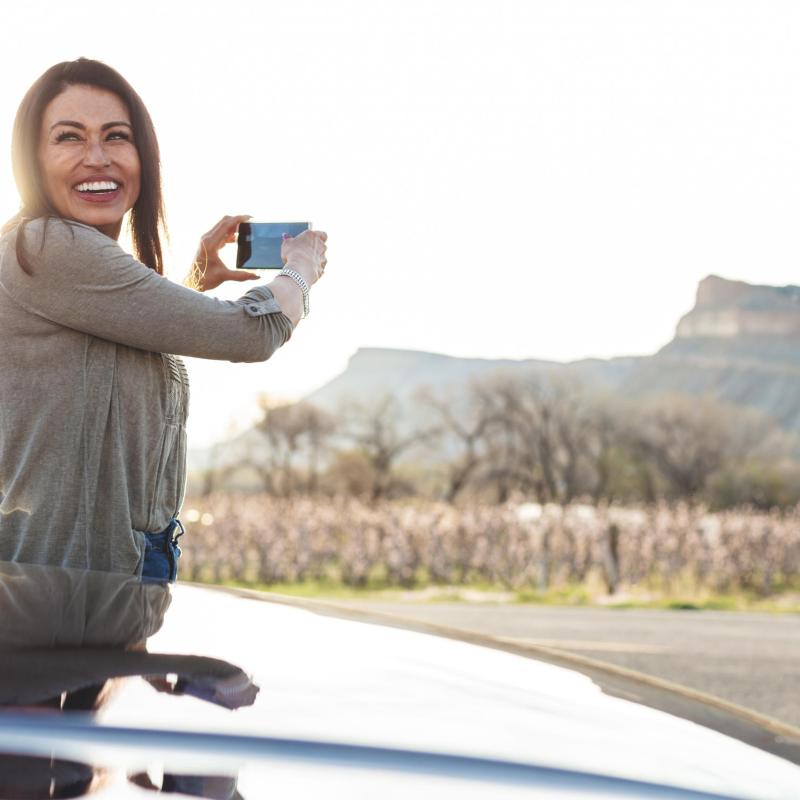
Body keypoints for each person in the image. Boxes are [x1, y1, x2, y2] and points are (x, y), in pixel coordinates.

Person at [0, 58, 327, 579]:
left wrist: (194, 277)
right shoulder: (45, 245)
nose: (97, 157)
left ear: (141, 155)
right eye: (69, 137)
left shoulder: (70, 264)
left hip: (107, 564)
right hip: (68, 575)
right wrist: (300, 274)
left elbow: (111, 346)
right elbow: (248, 333)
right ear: (32, 159)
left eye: (116, 136)